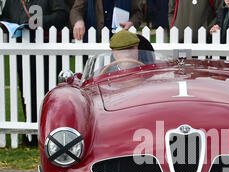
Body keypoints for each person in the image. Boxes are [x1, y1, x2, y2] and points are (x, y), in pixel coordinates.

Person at [0, 0, 68, 146]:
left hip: (47, 52)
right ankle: (30, 135)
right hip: (22, 52)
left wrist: (39, 21)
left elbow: (62, 15)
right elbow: (4, 17)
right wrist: (9, 25)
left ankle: (49, 132)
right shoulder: (12, 2)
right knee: (26, 91)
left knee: (48, 93)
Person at [70, 0, 144, 41]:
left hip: (121, 43)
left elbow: (138, 12)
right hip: (95, 42)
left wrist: (131, 23)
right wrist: (78, 21)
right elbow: (76, 10)